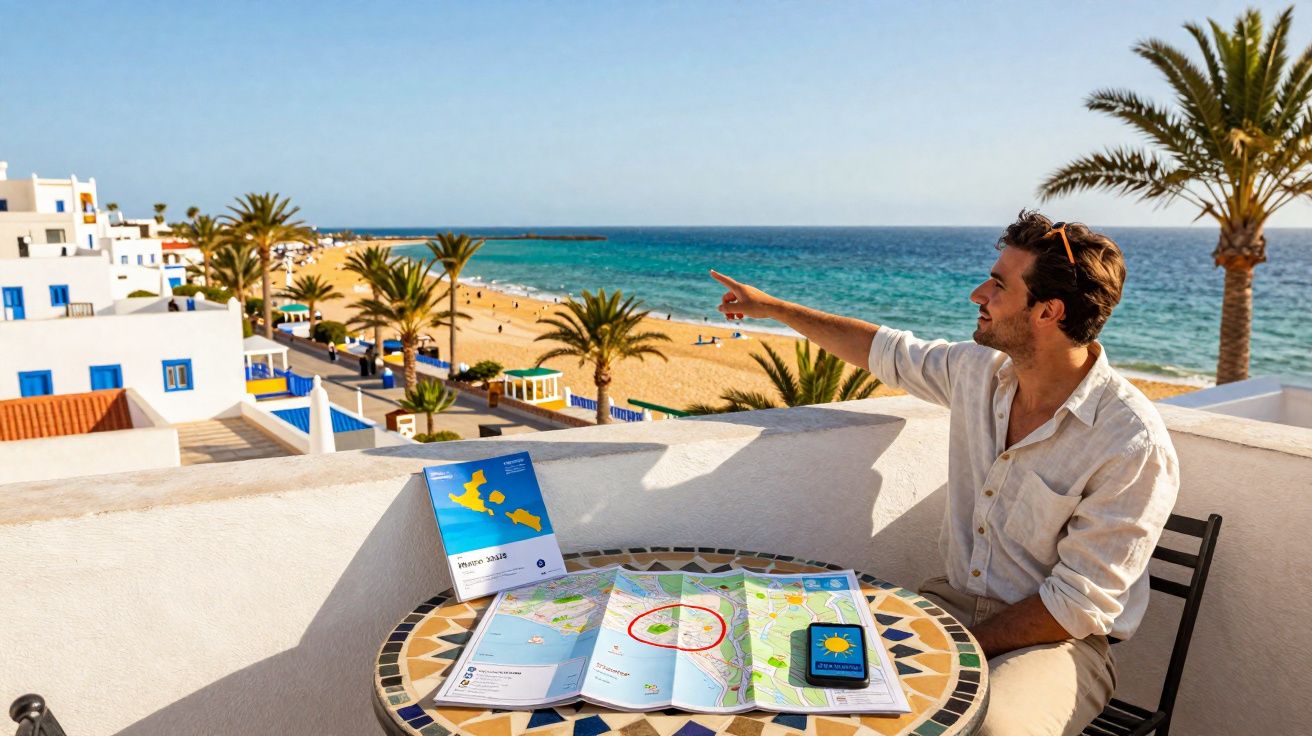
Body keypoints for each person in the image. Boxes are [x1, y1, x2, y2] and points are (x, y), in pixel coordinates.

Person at [710, 211, 1178, 736]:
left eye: (998, 285)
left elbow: (1074, 606)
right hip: (950, 606)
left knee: (989, 729)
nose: (978, 294)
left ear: (1048, 312)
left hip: (1059, 644)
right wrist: (770, 307)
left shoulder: (1130, 442)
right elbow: (880, 350)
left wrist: (948, 648)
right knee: (804, 675)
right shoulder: (978, 372)